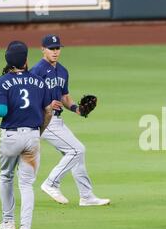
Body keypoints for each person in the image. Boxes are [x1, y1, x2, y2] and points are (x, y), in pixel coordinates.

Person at [0, 41, 53, 229]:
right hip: (32, 136)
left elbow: (1, 111)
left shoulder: (2, 81)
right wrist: (39, 131)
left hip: (10, 138)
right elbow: (48, 111)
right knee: (27, 185)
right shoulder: (40, 81)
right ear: (25, 60)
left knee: (6, 176)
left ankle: (7, 221)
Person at [30, 34, 110, 207]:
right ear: (42, 49)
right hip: (45, 120)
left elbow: (64, 96)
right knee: (77, 150)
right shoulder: (37, 71)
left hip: (57, 121)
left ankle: (86, 196)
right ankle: (51, 183)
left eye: (57, 48)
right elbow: (31, 97)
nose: (55, 51)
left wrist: (77, 109)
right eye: (51, 48)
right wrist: (45, 107)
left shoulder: (63, 71)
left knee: (76, 156)